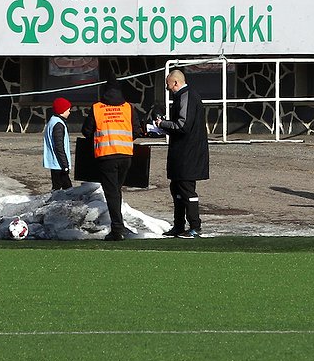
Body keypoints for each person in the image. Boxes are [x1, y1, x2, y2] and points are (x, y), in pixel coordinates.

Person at [82, 85, 144, 241]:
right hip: (125, 156)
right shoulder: (128, 107)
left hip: (106, 156)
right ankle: (119, 225)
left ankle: (117, 229)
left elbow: (86, 131)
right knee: (116, 190)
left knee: (111, 194)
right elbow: (137, 130)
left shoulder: (97, 108)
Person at [156, 70, 209, 238]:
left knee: (187, 190)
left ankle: (194, 227)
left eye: (168, 85)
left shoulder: (187, 96)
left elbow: (182, 125)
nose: (167, 88)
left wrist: (162, 124)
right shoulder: (186, 96)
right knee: (177, 188)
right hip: (183, 152)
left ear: (176, 83)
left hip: (188, 153)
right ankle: (179, 225)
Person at [43, 97, 73, 191]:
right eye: (68, 110)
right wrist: (65, 165)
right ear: (62, 110)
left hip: (55, 163)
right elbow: (59, 146)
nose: (69, 112)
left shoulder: (53, 121)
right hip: (58, 164)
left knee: (59, 187)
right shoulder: (58, 124)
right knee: (66, 189)